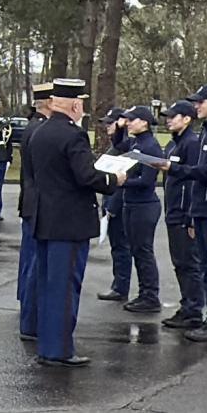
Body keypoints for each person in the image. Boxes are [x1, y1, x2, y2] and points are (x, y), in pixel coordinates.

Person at [27, 78, 126, 367]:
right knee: (65, 288)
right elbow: (86, 176)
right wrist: (114, 179)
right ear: (75, 104)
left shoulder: (39, 132)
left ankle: (48, 346)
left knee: (48, 287)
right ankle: (59, 349)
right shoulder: (73, 136)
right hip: (69, 224)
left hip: (45, 219)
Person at [156, 83, 207, 343]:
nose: (196, 106)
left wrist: (176, 168)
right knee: (205, 266)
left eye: (201, 102)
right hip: (202, 206)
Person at [158, 100, 204, 330]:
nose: (168, 120)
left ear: (187, 119)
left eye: (173, 116)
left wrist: (190, 216)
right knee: (180, 262)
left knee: (188, 263)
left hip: (184, 213)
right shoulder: (174, 144)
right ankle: (186, 304)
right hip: (173, 210)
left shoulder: (191, 144)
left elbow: (194, 180)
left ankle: (194, 309)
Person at [118, 105, 164, 313]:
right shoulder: (135, 142)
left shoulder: (151, 146)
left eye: (132, 120)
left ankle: (150, 295)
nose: (128, 123)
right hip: (132, 203)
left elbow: (147, 180)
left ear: (144, 122)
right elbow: (119, 146)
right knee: (135, 249)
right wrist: (119, 128)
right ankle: (144, 293)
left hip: (145, 205)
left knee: (144, 250)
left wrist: (122, 182)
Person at [17, 82, 52, 340]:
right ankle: (30, 316)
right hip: (37, 202)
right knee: (33, 262)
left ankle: (27, 307)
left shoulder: (33, 126)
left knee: (29, 260)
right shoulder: (40, 128)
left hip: (30, 200)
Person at [95, 107, 131, 302]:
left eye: (111, 123)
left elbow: (122, 182)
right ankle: (119, 284)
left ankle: (121, 286)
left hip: (117, 204)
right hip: (111, 202)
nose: (107, 126)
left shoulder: (123, 148)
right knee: (117, 247)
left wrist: (112, 207)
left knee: (121, 247)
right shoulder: (117, 146)